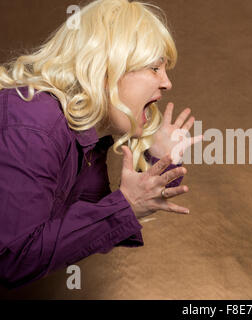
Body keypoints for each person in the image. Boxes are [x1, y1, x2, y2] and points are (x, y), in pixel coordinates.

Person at [0, 0, 201, 289]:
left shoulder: (83, 136)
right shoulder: (32, 121)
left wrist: (160, 158)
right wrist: (126, 206)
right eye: (154, 67)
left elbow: (87, 227)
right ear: (106, 68)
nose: (167, 83)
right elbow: (11, 259)